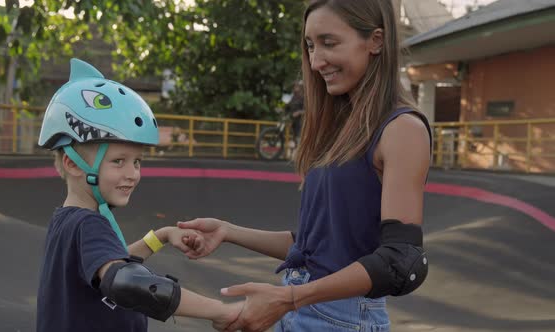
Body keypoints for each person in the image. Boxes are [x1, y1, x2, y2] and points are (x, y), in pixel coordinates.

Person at [177, 0, 432, 331]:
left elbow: (402, 259)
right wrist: (228, 232)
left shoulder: (402, 129)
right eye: (310, 46)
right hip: (302, 306)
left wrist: (291, 298)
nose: (315, 61)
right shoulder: (341, 128)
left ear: (376, 41)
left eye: (329, 43)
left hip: (341, 318)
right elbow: (319, 248)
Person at [36, 58, 243, 332]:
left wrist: (161, 237)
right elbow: (127, 282)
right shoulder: (89, 225)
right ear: (73, 164)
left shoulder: (68, 219)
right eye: (118, 161)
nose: (132, 173)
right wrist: (221, 311)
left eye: (137, 162)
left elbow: (110, 262)